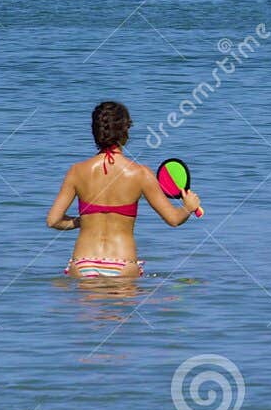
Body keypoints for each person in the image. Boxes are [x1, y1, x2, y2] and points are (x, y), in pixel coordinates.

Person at [45, 101, 203, 278]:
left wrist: (82, 222)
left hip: (83, 263)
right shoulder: (140, 174)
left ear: (95, 132)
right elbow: (174, 219)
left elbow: (53, 221)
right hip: (122, 263)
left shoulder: (76, 171)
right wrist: (188, 207)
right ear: (125, 132)